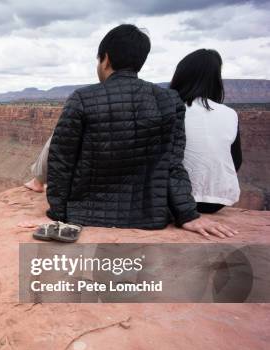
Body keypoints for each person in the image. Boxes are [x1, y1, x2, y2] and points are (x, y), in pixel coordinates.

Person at [32, 24, 236, 239]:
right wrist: (187, 215)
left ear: (106, 59)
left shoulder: (82, 98)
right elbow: (173, 166)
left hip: (84, 214)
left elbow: (61, 162)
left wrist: (58, 213)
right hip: (150, 217)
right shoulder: (169, 100)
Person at [170, 49, 242, 214]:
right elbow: (236, 160)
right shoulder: (230, 114)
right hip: (217, 200)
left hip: (176, 198)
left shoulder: (172, 109)